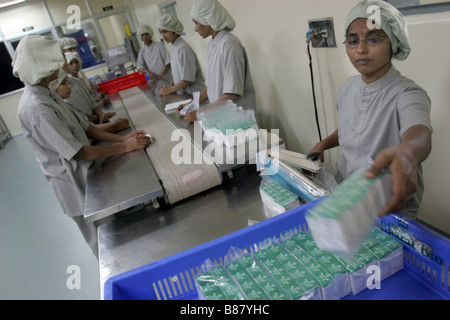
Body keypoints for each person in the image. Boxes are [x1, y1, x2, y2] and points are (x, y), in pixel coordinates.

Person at [12, 35, 151, 257]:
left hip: (89, 173)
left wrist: (124, 139)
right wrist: (124, 148)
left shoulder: (48, 93)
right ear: (42, 66)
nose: (62, 65)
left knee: (118, 232)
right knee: (106, 243)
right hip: (75, 184)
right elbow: (78, 151)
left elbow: (86, 128)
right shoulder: (36, 108)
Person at [308, 0, 432, 218]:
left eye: (374, 39)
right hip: (346, 197)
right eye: (353, 41)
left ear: (392, 43)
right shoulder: (347, 87)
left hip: (387, 208)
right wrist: (324, 144)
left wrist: (408, 152)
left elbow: (419, 133)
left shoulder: (408, 93)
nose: (361, 49)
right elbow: (351, 128)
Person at [179, 0, 256, 122]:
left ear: (208, 20)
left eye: (196, 23)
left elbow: (231, 94)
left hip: (238, 119)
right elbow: (210, 87)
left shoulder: (230, 44)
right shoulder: (213, 44)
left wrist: (201, 113)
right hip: (222, 116)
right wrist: (191, 105)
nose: (195, 29)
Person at [50, 69, 130, 134]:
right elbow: (87, 132)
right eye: (64, 83)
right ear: (53, 87)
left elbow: (86, 126)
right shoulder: (61, 107)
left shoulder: (76, 81)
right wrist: (114, 126)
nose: (69, 86)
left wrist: (102, 116)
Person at [156, 14, 206, 96]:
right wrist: (169, 87)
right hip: (185, 94)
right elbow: (178, 74)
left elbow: (187, 79)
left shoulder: (183, 48)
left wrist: (169, 90)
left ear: (174, 31)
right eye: (160, 32)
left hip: (195, 95)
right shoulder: (174, 46)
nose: (163, 36)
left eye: (165, 32)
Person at [65, 51, 115, 124]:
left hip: (93, 118)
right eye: (71, 63)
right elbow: (80, 119)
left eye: (76, 62)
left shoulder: (80, 79)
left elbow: (91, 99)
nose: (75, 65)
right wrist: (99, 117)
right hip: (88, 123)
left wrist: (101, 114)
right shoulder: (68, 85)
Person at [59, 37, 108, 106]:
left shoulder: (78, 69)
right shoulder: (65, 77)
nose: (74, 51)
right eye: (70, 49)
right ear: (62, 52)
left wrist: (93, 90)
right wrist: (95, 101)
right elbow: (77, 100)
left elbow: (85, 87)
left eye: (74, 48)